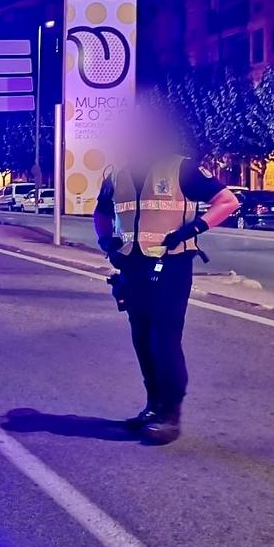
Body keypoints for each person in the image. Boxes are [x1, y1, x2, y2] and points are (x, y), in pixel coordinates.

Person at [93, 115, 238, 444]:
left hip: (171, 265)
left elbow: (228, 201)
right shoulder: (116, 174)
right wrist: (106, 242)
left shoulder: (181, 169)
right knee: (142, 337)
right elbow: (101, 212)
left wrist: (192, 229)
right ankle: (153, 406)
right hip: (132, 266)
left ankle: (170, 414)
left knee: (165, 337)